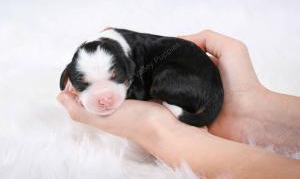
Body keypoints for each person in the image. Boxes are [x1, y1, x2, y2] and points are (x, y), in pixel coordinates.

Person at [57, 30, 300, 178]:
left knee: (158, 83)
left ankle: (185, 109)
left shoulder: (134, 56)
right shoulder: (122, 51)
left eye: (116, 79)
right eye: (84, 84)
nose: (103, 96)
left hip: (190, 82)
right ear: (68, 78)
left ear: (128, 68)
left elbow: (140, 86)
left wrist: (162, 132)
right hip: (194, 85)